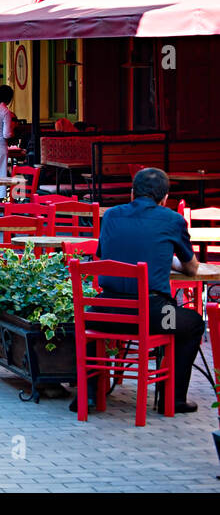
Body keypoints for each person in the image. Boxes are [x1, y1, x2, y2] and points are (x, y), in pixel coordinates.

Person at [82, 168, 203, 415]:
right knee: (192, 323)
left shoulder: (112, 216)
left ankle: (91, 394)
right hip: (155, 315)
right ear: (165, 198)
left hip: (105, 312)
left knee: (88, 322)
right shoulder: (172, 219)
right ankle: (173, 399)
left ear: (131, 193)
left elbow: (104, 255)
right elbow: (191, 268)